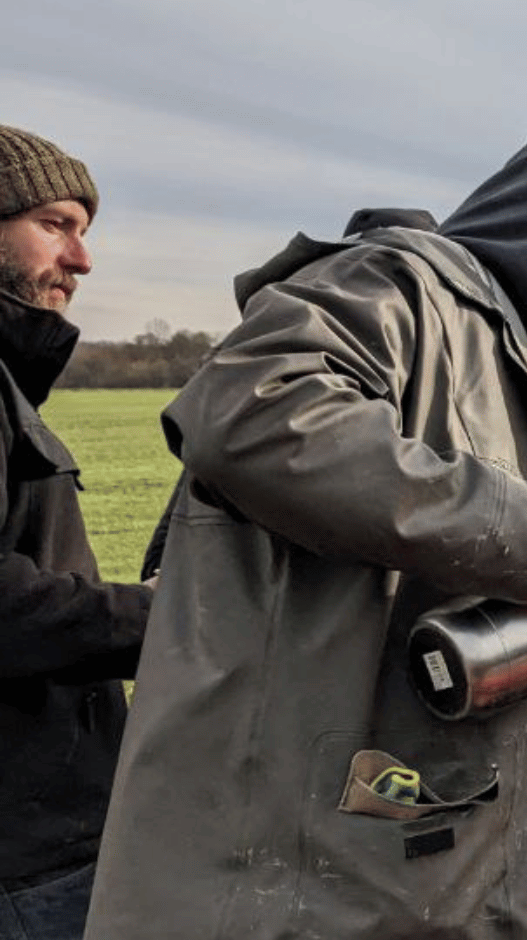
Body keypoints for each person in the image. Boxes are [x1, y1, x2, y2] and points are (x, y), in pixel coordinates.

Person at [83, 111, 527, 940]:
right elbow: (253, 408)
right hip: (302, 899)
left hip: (448, 895)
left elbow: (467, 665)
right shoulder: (397, 286)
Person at [0, 124, 153, 940]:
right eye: (55, 224)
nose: (82, 260)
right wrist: (166, 616)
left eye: (84, 232)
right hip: (24, 861)